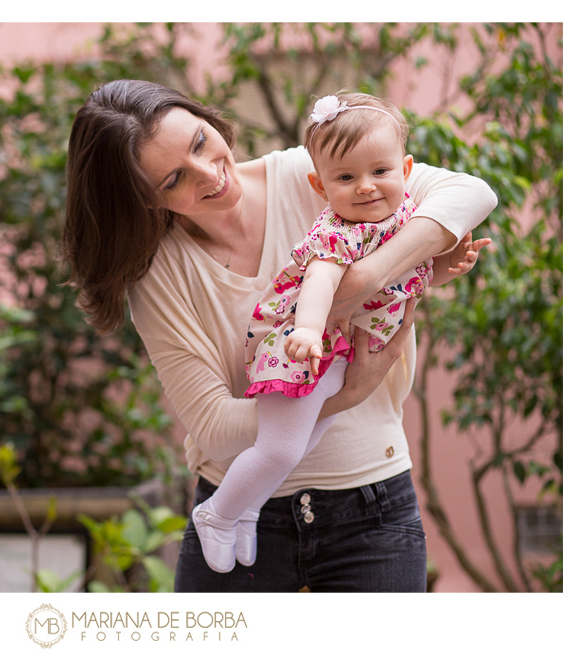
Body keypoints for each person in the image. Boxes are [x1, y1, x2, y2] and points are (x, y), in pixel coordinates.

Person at [61, 79, 497, 592]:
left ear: (209, 121)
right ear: (145, 199)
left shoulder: (312, 173)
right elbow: (214, 425)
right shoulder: (158, 272)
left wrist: (364, 279)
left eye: (201, 142)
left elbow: (471, 193)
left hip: (371, 508)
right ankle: (228, 514)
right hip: (240, 513)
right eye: (174, 177)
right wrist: (345, 392)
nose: (209, 174)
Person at [188, 92, 491, 574]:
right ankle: (217, 513)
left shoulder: (405, 219)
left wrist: (448, 268)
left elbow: (412, 278)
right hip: (305, 348)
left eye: (381, 172)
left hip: (341, 353)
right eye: (346, 178)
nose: (366, 187)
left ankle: (246, 506)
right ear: (320, 185)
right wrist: (308, 330)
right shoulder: (338, 232)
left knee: (303, 439)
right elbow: (321, 280)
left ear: (406, 169)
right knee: (282, 446)